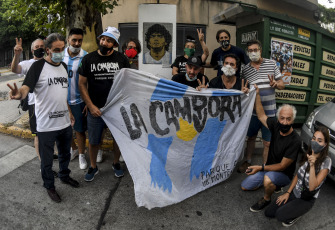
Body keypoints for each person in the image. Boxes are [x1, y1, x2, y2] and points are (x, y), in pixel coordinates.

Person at [7, 33, 79, 203]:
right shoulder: (37, 67)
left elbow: (63, 93)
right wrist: (19, 94)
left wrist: (69, 112)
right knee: (46, 161)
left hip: (64, 123)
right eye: (56, 50)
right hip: (46, 125)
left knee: (65, 154)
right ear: (48, 50)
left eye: (62, 49)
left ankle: (64, 175)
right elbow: (25, 87)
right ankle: (49, 186)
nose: (60, 52)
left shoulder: (63, 66)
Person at [78, 26, 130, 181]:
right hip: (96, 109)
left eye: (109, 40)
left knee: (118, 139)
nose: (104, 42)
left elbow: (128, 82)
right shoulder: (88, 59)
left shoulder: (122, 59)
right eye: (103, 39)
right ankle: (93, 166)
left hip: (116, 108)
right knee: (94, 141)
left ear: (114, 44)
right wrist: (91, 105)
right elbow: (81, 84)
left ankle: (115, 163)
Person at [241, 84, 301, 212]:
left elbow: (282, 166)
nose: (284, 122)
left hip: (284, 174)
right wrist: (257, 94)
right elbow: (261, 115)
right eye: (282, 118)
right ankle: (270, 184)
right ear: (278, 118)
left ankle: (267, 198)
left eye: (288, 119)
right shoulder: (275, 125)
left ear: (293, 120)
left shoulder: (295, 140)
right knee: (245, 186)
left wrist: (259, 168)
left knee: (268, 179)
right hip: (268, 169)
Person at [265, 126, 331, 227]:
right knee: (269, 212)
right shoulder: (308, 153)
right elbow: (298, 175)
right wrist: (287, 192)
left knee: (280, 215)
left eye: (320, 140)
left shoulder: (326, 161)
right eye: (314, 138)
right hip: (295, 192)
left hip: (306, 198)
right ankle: (291, 206)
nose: (315, 142)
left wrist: (312, 166)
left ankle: (296, 214)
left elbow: (313, 186)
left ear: (325, 144)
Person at [10, 37, 59, 176]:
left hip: (50, 104)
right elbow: (15, 69)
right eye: (36, 47)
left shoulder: (51, 63)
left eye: (42, 46)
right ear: (32, 50)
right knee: (38, 135)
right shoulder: (28, 63)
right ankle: (43, 163)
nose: (39, 49)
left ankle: (49, 155)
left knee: (51, 132)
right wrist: (17, 55)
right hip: (34, 105)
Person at [238, 39, 285, 173]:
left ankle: (265, 167)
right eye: (250, 51)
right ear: (248, 53)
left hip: (270, 113)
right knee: (251, 137)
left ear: (260, 50)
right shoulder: (246, 69)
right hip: (253, 112)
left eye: (255, 50)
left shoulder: (271, 64)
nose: (253, 52)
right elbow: (243, 88)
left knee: (267, 143)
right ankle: (247, 161)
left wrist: (277, 84)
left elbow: (282, 84)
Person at [63, 28, 89, 170]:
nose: (77, 43)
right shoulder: (60, 56)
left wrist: (88, 101)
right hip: (61, 101)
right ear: (68, 40)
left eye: (80, 40)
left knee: (79, 130)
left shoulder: (86, 57)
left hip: (78, 101)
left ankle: (81, 155)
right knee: (64, 129)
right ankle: (73, 149)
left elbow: (89, 82)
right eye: (74, 40)